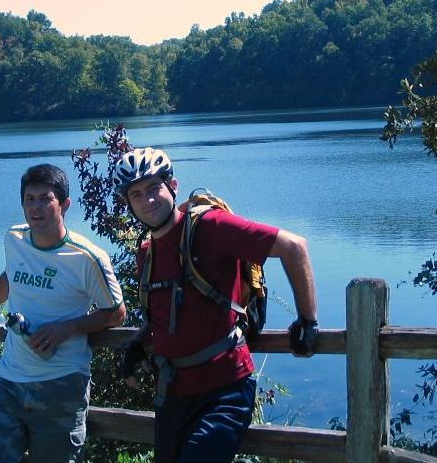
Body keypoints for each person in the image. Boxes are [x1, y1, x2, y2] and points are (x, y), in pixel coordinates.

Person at [114, 147, 318, 463]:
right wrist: (138, 345)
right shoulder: (147, 253)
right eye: (137, 194)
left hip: (224, 390)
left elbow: (294, 247)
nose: (148, 200)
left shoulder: (211, 227)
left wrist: (307, 321)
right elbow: (164, 317)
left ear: (173, 186)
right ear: (128, 202)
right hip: (173, 395)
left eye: (154, 188)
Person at [0, 163, 125, 463]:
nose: (36, 207)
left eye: (45, 198)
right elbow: (10, 278)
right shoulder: (14, 239)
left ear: (64, 204)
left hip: (62, 384)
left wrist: (66, 328)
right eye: (29, 199)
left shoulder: (87, 258)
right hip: (9, 380)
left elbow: (116, 313)